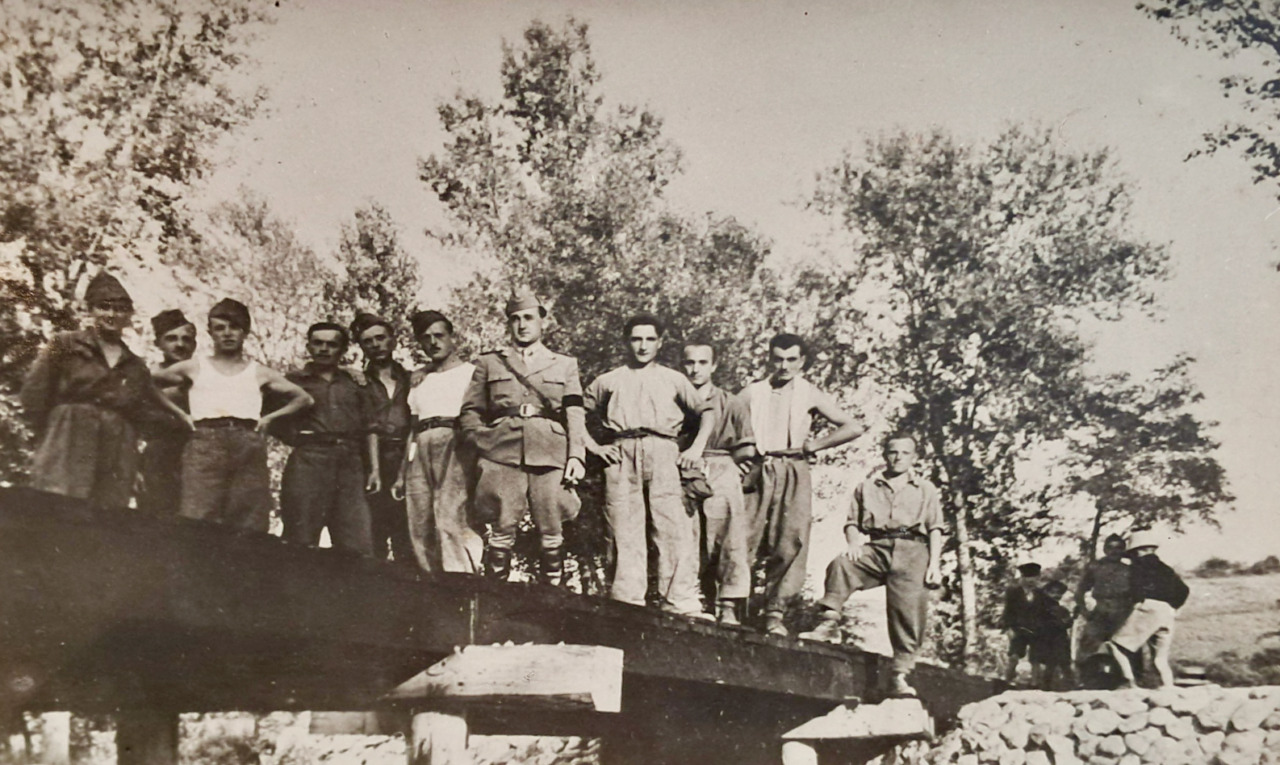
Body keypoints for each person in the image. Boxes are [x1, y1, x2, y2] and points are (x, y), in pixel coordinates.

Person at [583, 314, 715, 618]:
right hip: (621, 451)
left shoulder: (674, 379)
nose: (642, 346)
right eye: (636, 339)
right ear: (626, 342)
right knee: (623, 527)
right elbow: (575, 410)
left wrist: (695, 449)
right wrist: (594, 447)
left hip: (664, 450)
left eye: (649, 339)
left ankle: (680, 601)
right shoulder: (609, 379)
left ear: (659, 342)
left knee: (673, 527)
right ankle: (626, 602)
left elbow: (706, 412)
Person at [20, 272, 187, 508]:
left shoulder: (135, 365)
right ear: (90, 310)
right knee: (58, 510)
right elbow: (34, 395)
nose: (111, 314)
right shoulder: (65, 344)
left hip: (117, 450)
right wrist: (49, 439)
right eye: (103, 307)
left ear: (129, 315)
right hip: (68, 439)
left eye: (120, 309)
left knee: (104, 521)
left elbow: (142, 414)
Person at [799, 435, 944, 698]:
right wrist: (854, 541)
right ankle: (829, 623)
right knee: (842, 564)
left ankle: (900, 674)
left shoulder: (925, 489)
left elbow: (935, 528)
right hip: (878, 546)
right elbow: (852, 522)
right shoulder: (867, 486)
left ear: (914, 457)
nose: (898, 457)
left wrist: (935, 564)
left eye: (904, 452)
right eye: (892, 452)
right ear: (884, 455)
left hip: (913, 550)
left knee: (908, 614)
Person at [458, 290, 586, 585]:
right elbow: (469, 411)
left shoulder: (564, 364)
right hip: (503, 449)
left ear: (543, 321)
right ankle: (494, 592)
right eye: (515, 319)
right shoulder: (490, 362)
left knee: (551, 521)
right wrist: (483, 441)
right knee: (503, 523)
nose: (522, 324)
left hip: (550, 449)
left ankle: (554, 593)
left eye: (529, 317)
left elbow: (575, 412)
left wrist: (576, 454)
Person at [742, 333, 864, 636]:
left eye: (791, 360)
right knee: (743, 536)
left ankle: (775, 612)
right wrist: (737, 455)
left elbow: (853, 427)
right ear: (769, 358)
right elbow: (721, 421)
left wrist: (815, 445)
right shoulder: (753, 392)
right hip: (758, 467)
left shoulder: (809, 393)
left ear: (802, 362)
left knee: (791, 539)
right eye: (778, 359)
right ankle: (731, 605)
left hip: (794, 467)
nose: (784, 366)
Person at [152, 298, 311, 532]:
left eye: (234, 327)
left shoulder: (259, 372)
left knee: (249, 517)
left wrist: (269, 418)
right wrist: (179, 414)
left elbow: (304, 398)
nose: (227, 334)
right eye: (220, 328)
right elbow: (148, 383)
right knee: (198, 516)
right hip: (205, 442)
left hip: (247, 443)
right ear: (211, 333)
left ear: (245, 331)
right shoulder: (195, 366)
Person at [273, 322, 379, 555]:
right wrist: (295, 437)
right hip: (309, 460)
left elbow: (370, 426)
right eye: (318, 343)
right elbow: (271, 416)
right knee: (299, 538)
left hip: (350, 463)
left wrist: (374, 470)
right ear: (309, 346)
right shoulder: (292, 380)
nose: (324, 349)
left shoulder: (355, 382)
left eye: (332, 345)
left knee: (357, 542)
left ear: (342, 350)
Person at [393, 310, 484, 573]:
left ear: (451, 337)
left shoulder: (472, 373)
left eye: (439, 335)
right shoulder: (420, 380)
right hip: (421, 445)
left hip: (455, 441)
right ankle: (432, 584)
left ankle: (462, 582)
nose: (433, 342)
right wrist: (402, 472)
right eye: (425, 338)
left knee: (451, 517)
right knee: (419, 519)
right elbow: (413, 428)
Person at [679, 343, 757, 624]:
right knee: (686, 534)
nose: (695, 368)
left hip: (721, 465)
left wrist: (734, 464)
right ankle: (690, 597)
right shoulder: (674, 398)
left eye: (702, 362)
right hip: (683, 467)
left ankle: (728, 604)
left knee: (728, 534)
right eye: (689, 363)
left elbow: (747, 446)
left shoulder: (731, 402)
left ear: (713, 366)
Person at [352, 312, 414, 563]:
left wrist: (404, 472)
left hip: (407, 458)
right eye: (368, 341)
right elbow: (369, 427)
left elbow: (415, 426)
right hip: (371, 460)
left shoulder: (412, 379)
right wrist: (374, 470)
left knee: (407, 534)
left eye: (381, 338)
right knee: (373, 532)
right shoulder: (358, 381)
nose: (376, 345)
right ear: (362, 347)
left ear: (393, 341)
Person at [1105, 530, 1189, 689]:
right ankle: (1168, 686)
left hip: (1148, 608)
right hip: (1167, 612)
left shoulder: (1138, 566)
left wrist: (1137, 602)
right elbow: (1183, 590)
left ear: (1139, 550)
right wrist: (1174, 606)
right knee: (1160, 657)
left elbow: (1133, 586)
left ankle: (1129, 682)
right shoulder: (1166, 568)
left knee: (1115, 645)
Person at [137, 309, 197, 515]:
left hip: (197, 456)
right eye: (171, 338)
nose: (179, 344)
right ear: (158, 344)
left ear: (194, 345)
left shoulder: (205, 376)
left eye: (186, 339)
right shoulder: (146, 376)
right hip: (158, 454)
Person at [1074, 533, 1132, 666]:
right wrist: (1085, 612)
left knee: (1127, 646)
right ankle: (1083, 676)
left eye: (1119, 548)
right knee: (1089, 642)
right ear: (1105, 550)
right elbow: (1080, 591)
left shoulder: (1129, 570)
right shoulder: (1095, 567)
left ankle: (1130, 679)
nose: (1114, 551)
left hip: (1123, 612)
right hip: (1101, 610)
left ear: (1123, 550)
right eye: (1111, 548)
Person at [1001, 561, 1043, 684]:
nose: (1031, 580)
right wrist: (1008, 628)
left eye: (1034, 577)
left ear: (1038, 578)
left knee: (1036, 659)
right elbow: (1008, 611)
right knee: (1014, 656)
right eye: (1028, 577)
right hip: (1018, 628)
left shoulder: (1040, 593)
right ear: (1022, 577)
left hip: (1036, 629)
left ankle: (1035, 685)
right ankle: (1007, 681)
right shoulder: (1013, 592)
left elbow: (1045, 612)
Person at [1029, 579, 1075, 691]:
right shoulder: (1041, 605)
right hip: (1048, 637)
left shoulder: (1055, 606)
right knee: (1055, 662)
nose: (1057, 595)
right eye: (1054, 592)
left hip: (1055, 637)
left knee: (1057, 662)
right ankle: (1056, 684)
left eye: (1060, 594)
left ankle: (1058, 684)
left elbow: (1064, 623)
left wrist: (1069, 619)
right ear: (1047, 591)